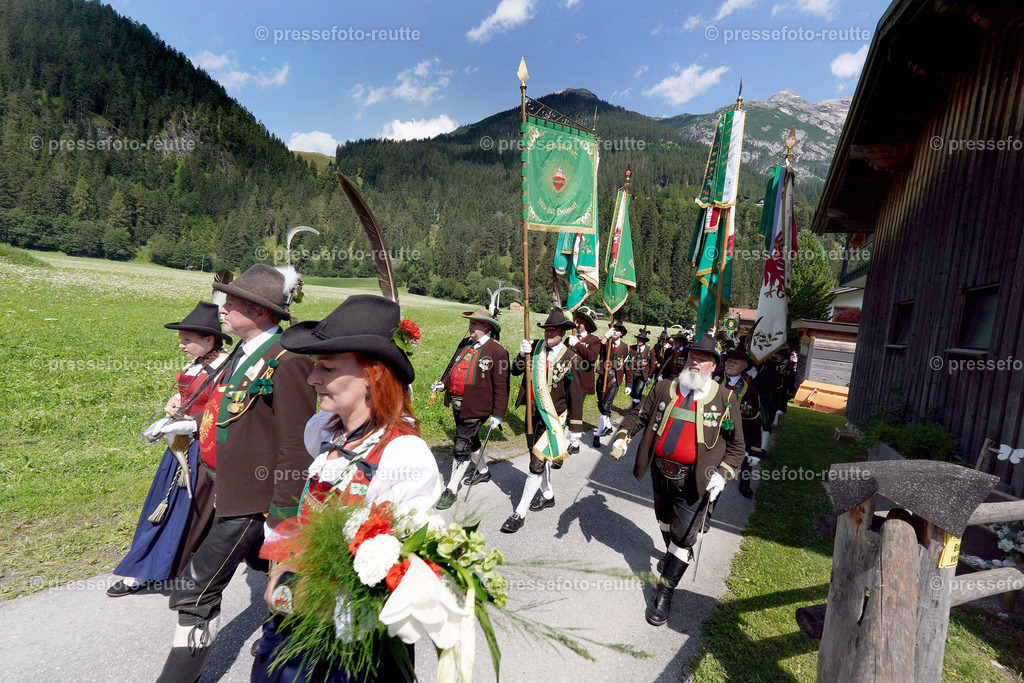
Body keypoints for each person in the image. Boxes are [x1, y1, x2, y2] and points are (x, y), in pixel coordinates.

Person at [251, 294, 443, 683]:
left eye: (327, 367)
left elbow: (393, 569)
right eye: (315, 366)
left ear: (373, 375)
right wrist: (283, 572)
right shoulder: (323, 431)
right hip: (297, 618)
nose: (312, 378)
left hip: (351, 641)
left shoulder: (403, 454)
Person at [157, 264, 317, 683]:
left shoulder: (287, 359)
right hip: (220, 487)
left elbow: (294, 446)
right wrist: (186, 422)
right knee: (270, 580)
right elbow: (225, 414)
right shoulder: (242, 353)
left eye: (231, 303)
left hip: (253, 498)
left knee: (195, 588)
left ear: (260, 312)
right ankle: (284, 633)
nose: (221, 309)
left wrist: (285, 518)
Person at [609, 333, 744, 626]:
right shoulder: (664, 387)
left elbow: (737, 446)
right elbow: (638, 416)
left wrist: (722, 475)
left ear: (713, 365)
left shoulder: (725, 399)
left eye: (704, 358)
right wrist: (623, 437)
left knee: (683, 537)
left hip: (696, 480)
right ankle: (675, 553)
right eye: (694, 356)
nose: (696, 361)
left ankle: (664, 591)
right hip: (660, 472)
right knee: (664, 522)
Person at [108, 302, 231, 597]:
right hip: (180, 447)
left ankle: (173, 569)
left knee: (191, 513)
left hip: (206, 448)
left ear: (209, 340)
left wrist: (189, 425)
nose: (181, 345)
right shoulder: (198, 363)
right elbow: (190, 392)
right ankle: (146, 568)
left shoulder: (227, 368)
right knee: (162, 507)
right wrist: (173, 404)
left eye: (187, 339)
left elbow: (225, 411)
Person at [501, 308, 584, 534]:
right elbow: (516, 372)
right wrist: (520, 355)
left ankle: (519, 513)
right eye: (547, 330)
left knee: (536, 463)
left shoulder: (571, 358)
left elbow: (575, 395)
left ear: (563, 333)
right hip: (533, 414)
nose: (549, 334)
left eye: (554, 331)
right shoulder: (535, 347)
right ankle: (548, 496)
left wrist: (574, 431)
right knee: (537, 457)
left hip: (554, 419)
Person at [431, 307, 509, 508]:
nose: (470, 326)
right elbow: (452, 367)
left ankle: (451, 489)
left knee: (461, 444)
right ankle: (483, 472)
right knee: (471, 439)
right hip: (458, 403)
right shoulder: (465, 343)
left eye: (474, 323)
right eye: (470, 323)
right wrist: (443, 383)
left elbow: (501, 386)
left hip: (478, 406)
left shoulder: (498, 351)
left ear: (486, 326)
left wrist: (498, 414)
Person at [718, 345, 765, 499]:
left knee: (744, 462)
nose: (730, 364)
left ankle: (744, 485)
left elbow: (755, 423)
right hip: (713, 433)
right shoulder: (715, 382)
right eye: (729, 361)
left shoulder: (751, 392)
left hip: (739, 435)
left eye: (735, 363)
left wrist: (755, 450)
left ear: (744, 367)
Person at [565, 309, 602, 458]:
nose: (577, 324)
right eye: (576, 321)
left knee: (575, 411)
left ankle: (574, 443)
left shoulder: (594, 340)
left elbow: (591, 358)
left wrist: (578, 345)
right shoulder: (569, 338)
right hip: (566, 379)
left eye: (580, 322)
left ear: (586, 324)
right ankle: (565, 439)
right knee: (564, 410)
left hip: (581, 382)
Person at [593, 321, 631, 448]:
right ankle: (608, 426)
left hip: (614, 378)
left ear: (622, 334)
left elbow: (627, 366)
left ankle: (597, 435)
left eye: (618, 330)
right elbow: (598, 348)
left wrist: (629, 384)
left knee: (606, 405)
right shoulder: (606, 342)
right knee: (600, 403)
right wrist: (605, 335)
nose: (615, 332)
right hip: (602, 375)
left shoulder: (625, 347)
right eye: (613, 329)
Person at [625, 328, 655, 409]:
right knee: (632, 392)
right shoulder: (632, 348)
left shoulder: (649, 350)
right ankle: (634, 406)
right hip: (632, 373)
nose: (639, 341)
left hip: (642, 375)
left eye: (641, 340)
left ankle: (635, 409)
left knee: (638, 391)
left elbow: (652, 364)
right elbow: (627, 362)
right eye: (638, 339)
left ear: (645, 341)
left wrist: (650, 376)